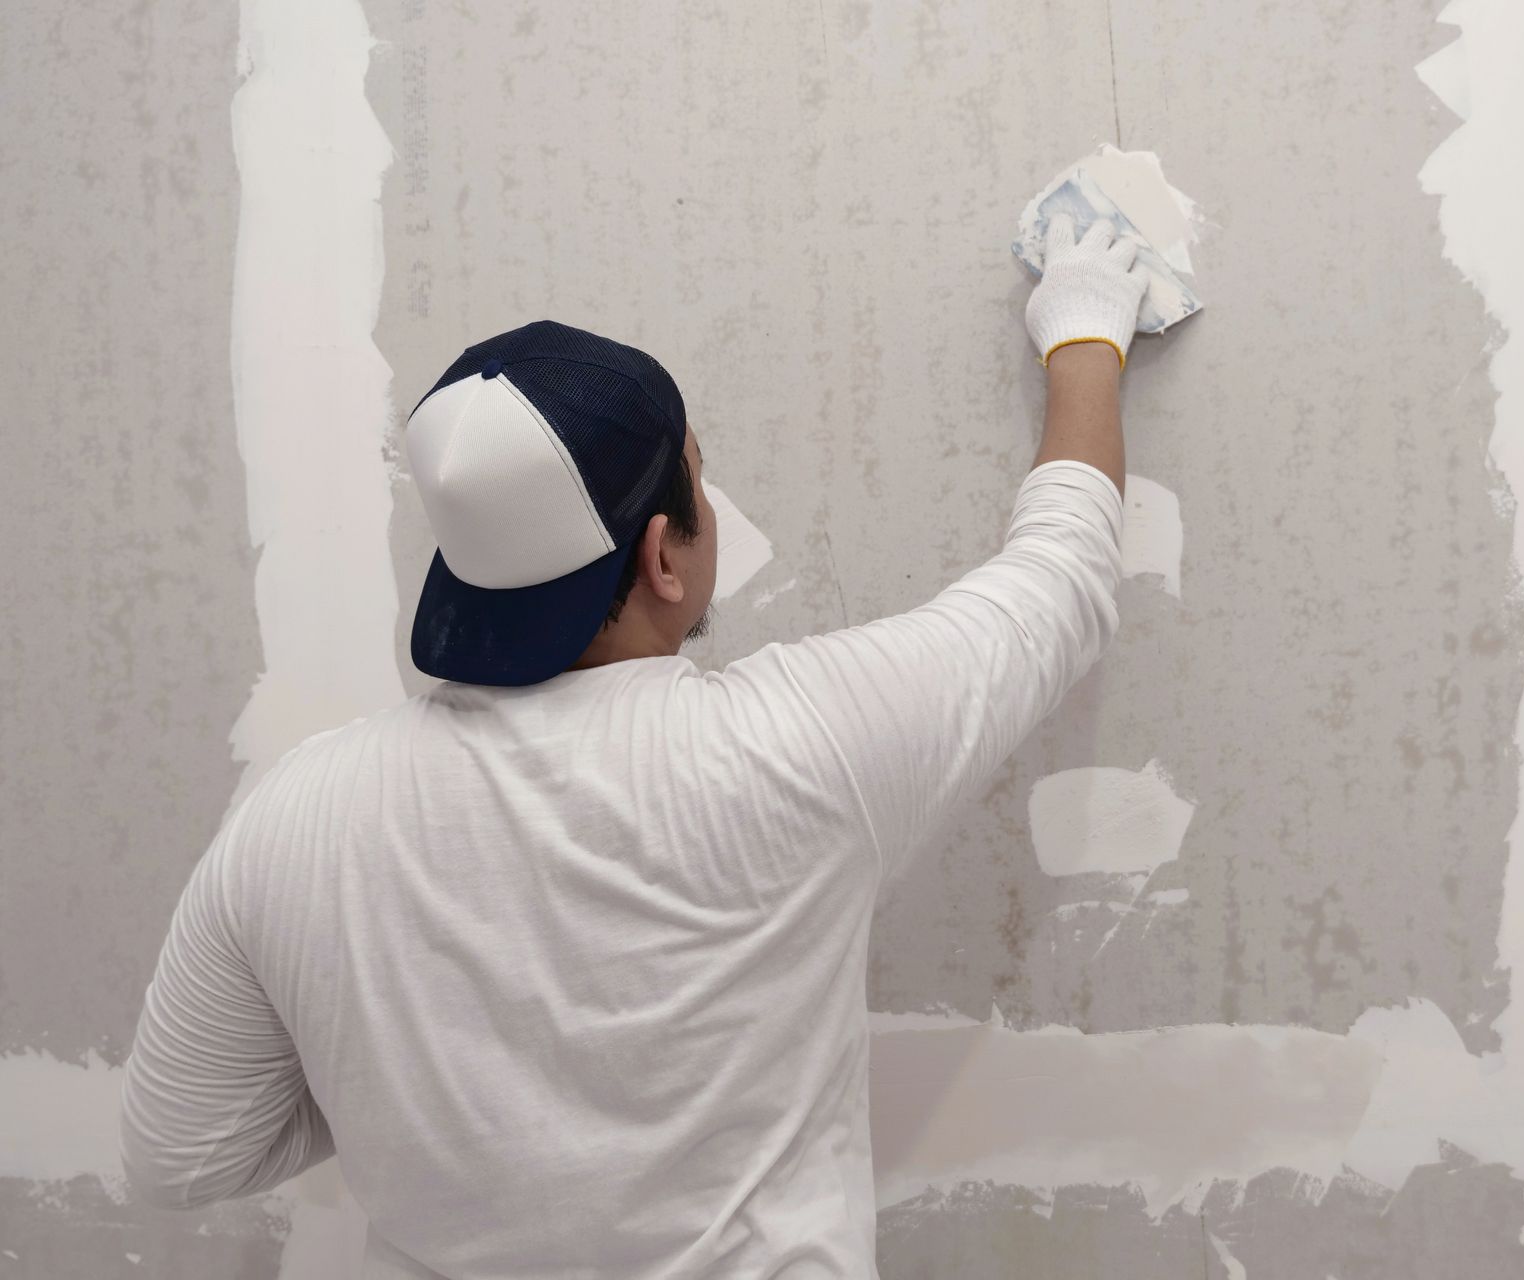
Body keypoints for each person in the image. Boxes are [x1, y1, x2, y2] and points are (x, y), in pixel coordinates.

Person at [120, 214, 1162, 1277]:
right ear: (664, 555)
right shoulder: (795, 748)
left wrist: (406, 1077)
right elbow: (1059, 584)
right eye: (698, 483)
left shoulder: (296, 817)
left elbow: (177, 1155)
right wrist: (1084, 318)